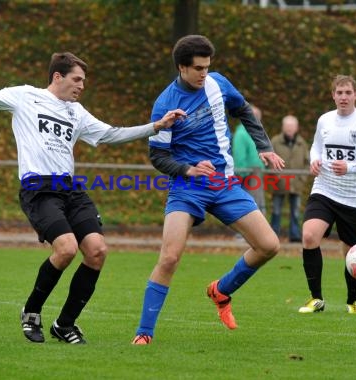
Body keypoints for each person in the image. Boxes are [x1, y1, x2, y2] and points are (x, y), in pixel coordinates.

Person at [0, 52, 185, 344]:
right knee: (67, 248)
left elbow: (111, 134)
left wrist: (156, 126)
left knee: (96, 251)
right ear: (57, 77)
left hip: (70, 189)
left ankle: (65, 324)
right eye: (77, 79)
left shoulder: (76, 112)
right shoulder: (25, 96)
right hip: (38, 190)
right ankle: (31, 312)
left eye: (83, 80)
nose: (82, 86)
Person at [131, 35, 285, 345]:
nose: (204, 74)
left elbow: (243, 111)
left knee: (269, 245)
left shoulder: (218, 84)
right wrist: (187, 168)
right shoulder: (165, 104)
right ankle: (144, 333)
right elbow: (158, 156)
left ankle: (221, 291)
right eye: (198, 69)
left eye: (207, 67)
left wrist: (264, 147)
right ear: (182, 68)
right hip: (187, 187)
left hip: (224, 183)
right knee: (170, 257)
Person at [298, 74, 356, 315]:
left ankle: (352, 301)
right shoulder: (325, 120)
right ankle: (316, 299)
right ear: (333, 95)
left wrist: (352, 167)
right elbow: (316, 146)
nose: (343, 97)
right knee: (309, 236)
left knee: (352, 252)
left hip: (355, 197)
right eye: (339, 93)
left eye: (348, 92)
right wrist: (314, 160)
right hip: (325, 189)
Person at [269, 115, 309, 242]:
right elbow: (269, 160)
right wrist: (276, 176)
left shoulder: (302, 143)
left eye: (292, 127)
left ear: (296, 128)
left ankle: (295, 235)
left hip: (296, 184)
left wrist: (302, 178)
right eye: (287, 127)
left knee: (296, 211)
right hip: (278, 183)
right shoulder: (275, 141)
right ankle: (273, 235)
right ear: (283, 127)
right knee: (276, 210)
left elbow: (307, 162)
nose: (289, 129)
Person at [232, 105, 267, 215]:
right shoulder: (241, 133)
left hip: (256, 173)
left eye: (258, 116)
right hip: (247, 175)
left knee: (258, 203)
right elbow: (239, 155)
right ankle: (244, 232)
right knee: (249, 204)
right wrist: (243, 174)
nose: (256, 118)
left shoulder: (256, 132)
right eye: (254, 115)